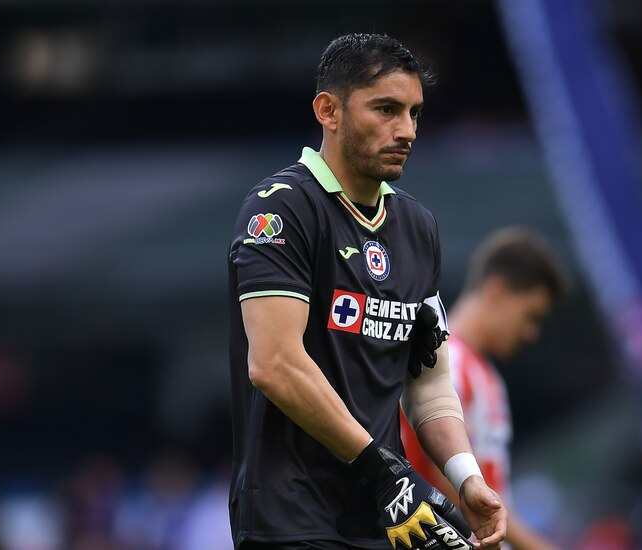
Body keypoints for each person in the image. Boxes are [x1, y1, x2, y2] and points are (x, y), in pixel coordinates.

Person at [227, 33, 507, 549]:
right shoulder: (280, 210)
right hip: (292, 519)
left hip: (385, 517)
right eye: (386, 110)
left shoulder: (418, 227)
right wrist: (387, 473)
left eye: (415, 113)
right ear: (328, 111)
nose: (407, 131)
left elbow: (428, 381)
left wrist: (466, 477)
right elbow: (274, 364)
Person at [401, 227, 567, 550]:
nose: (531, 333)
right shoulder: (447, 361)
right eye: (530, 315)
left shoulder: (482, 373)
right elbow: (446, 476)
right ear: (497, 290)